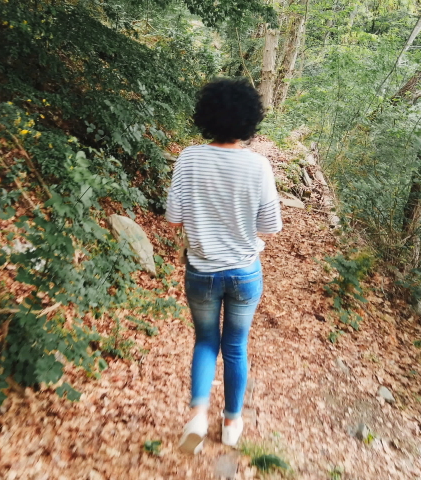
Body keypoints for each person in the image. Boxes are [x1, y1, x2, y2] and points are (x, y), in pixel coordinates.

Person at [166, 77, 282, 454]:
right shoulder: (258, 166)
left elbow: (174, 217)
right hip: (244, 272)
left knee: (204, 342)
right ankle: (232, 423)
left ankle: (198, 416)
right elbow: (270, 227)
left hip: (201, 271)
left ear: (207, 116)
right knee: (235, 346)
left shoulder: (189, 158)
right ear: (251, 120)